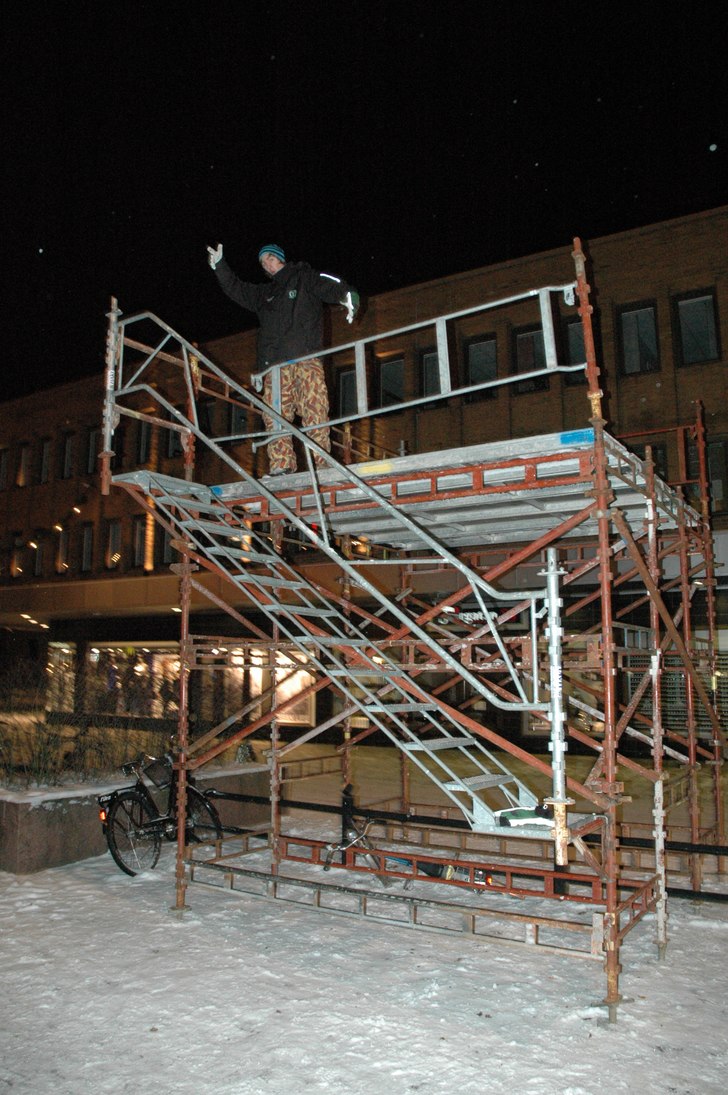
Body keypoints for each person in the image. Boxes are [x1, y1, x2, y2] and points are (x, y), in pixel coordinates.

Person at [207, 242, 359, 474]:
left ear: (280, 258)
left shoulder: (303, 277)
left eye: (269, 257)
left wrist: (348, 297)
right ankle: (282, 464)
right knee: (276, 417)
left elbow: (329, 285)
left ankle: (322, 461)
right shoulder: (263, 294)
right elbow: (236, 289)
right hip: (275, 368)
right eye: (262, 262)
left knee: (314, 410)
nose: (266, 263)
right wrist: (220, 267)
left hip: (305, 359)